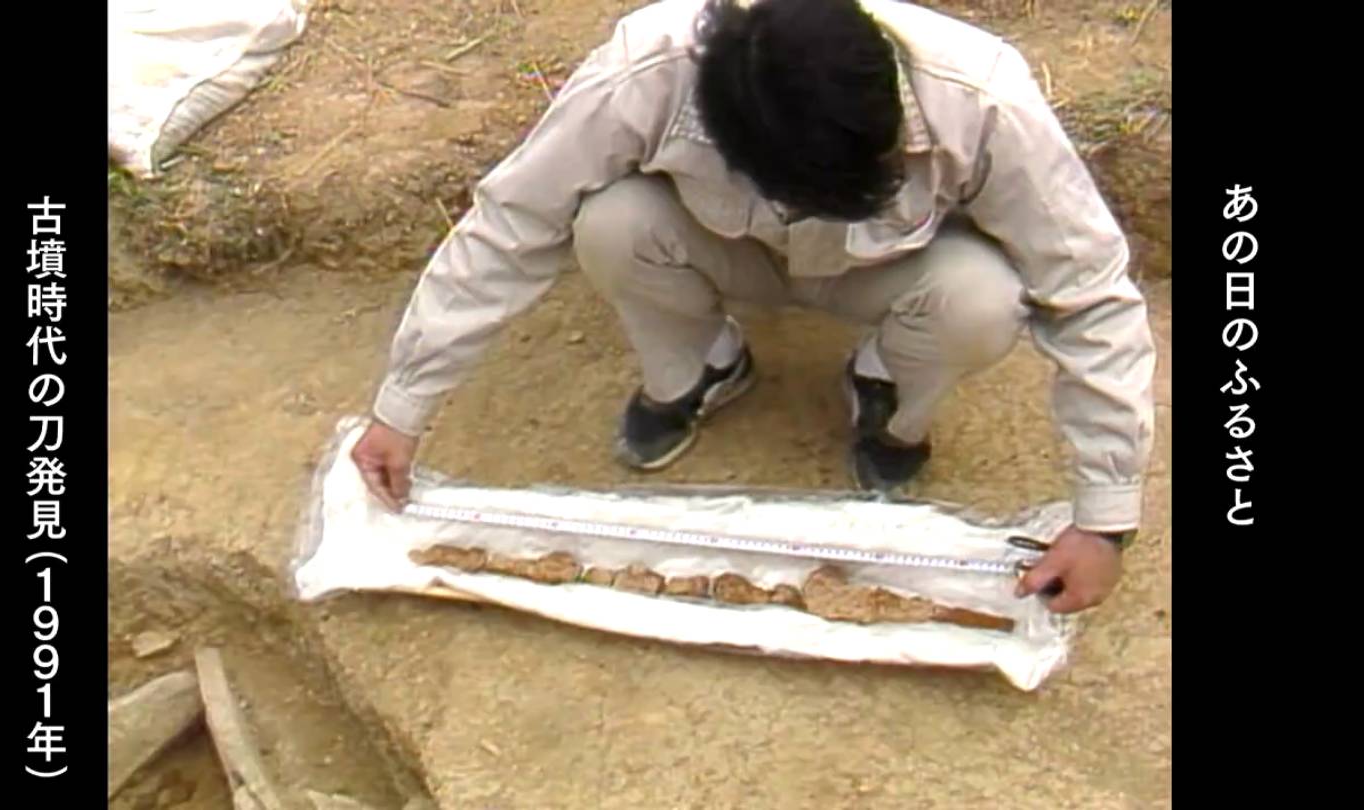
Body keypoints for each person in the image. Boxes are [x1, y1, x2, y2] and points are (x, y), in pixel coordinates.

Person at [350, 0, 1157, 614]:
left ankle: (885, 390)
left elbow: (1090, 293)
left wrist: (1103, 521)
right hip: (721, 252)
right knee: (610, 223)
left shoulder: (982, 99)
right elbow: (511, 225)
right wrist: (404, 404)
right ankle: (699, 369)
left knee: (986, 301)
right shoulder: (646, 71)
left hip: (898, 275)